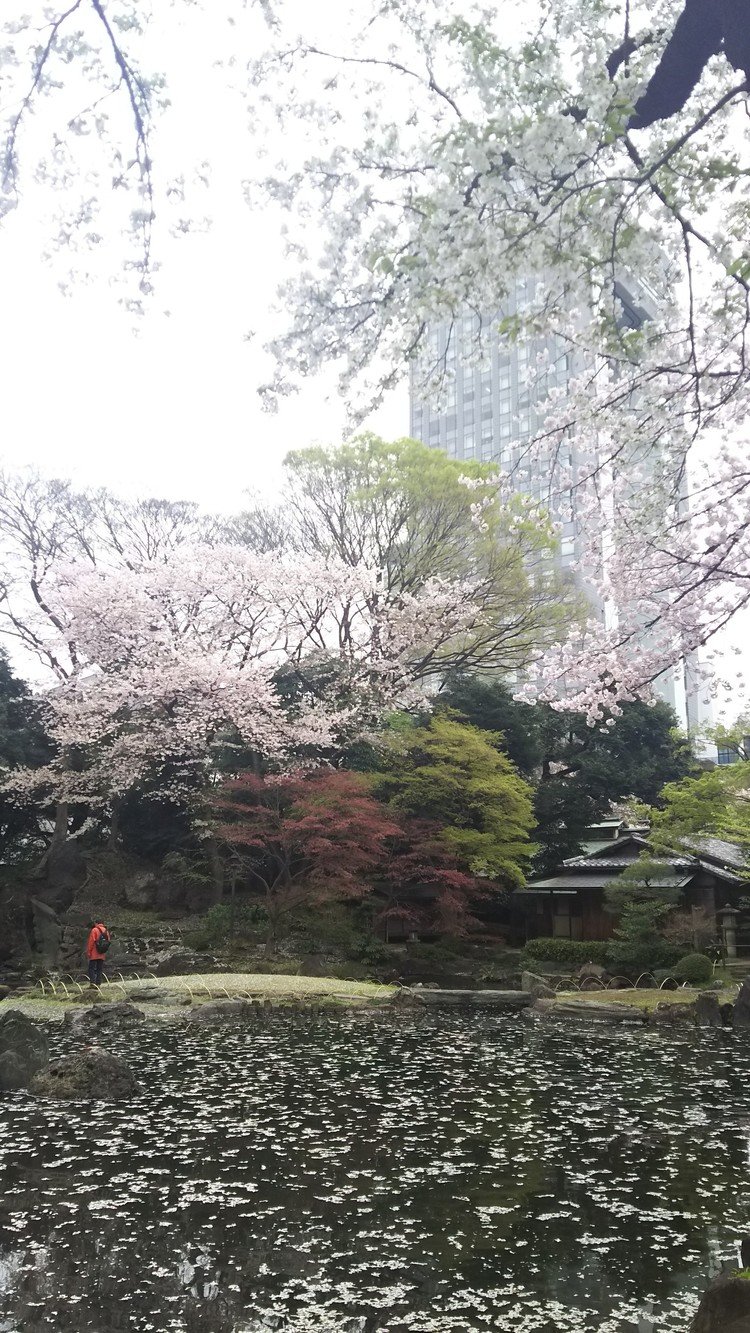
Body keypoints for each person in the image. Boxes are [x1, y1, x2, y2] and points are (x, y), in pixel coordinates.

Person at [86, 920, 111, 989]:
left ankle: (92, 984)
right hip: (102, 953)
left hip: (94, 953)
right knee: (99, 969)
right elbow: (108, 941)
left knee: (91, 968)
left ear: (96, 923)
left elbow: (91, 942)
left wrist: (89, 951)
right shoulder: (106, 931)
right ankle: (98, 984)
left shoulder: (94, 930)